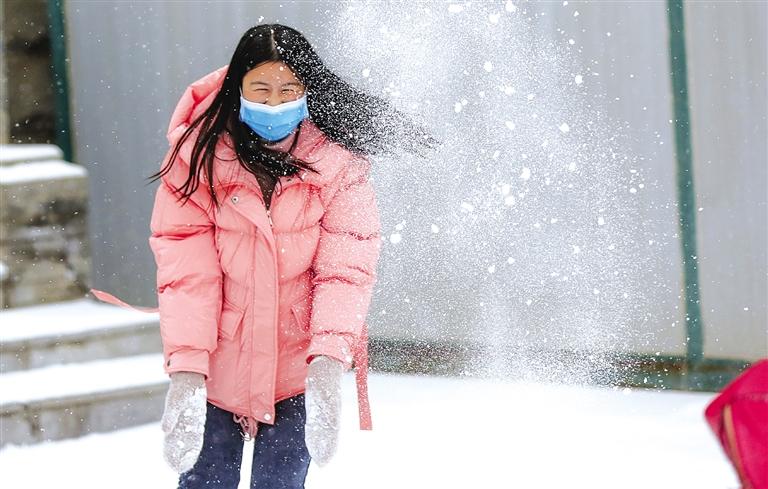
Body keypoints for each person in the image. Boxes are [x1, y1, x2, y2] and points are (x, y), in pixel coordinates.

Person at [90, 23, 437, 488]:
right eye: (261, 89)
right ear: (238, 88)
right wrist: (189, 372)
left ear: (307, 90)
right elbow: (189, 276)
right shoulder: (197, 161)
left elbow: (345, 272)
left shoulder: (339, 165)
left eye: (289, 89)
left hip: (298, 371)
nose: (275, 103)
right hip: (219, 370)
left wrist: (329, 361)